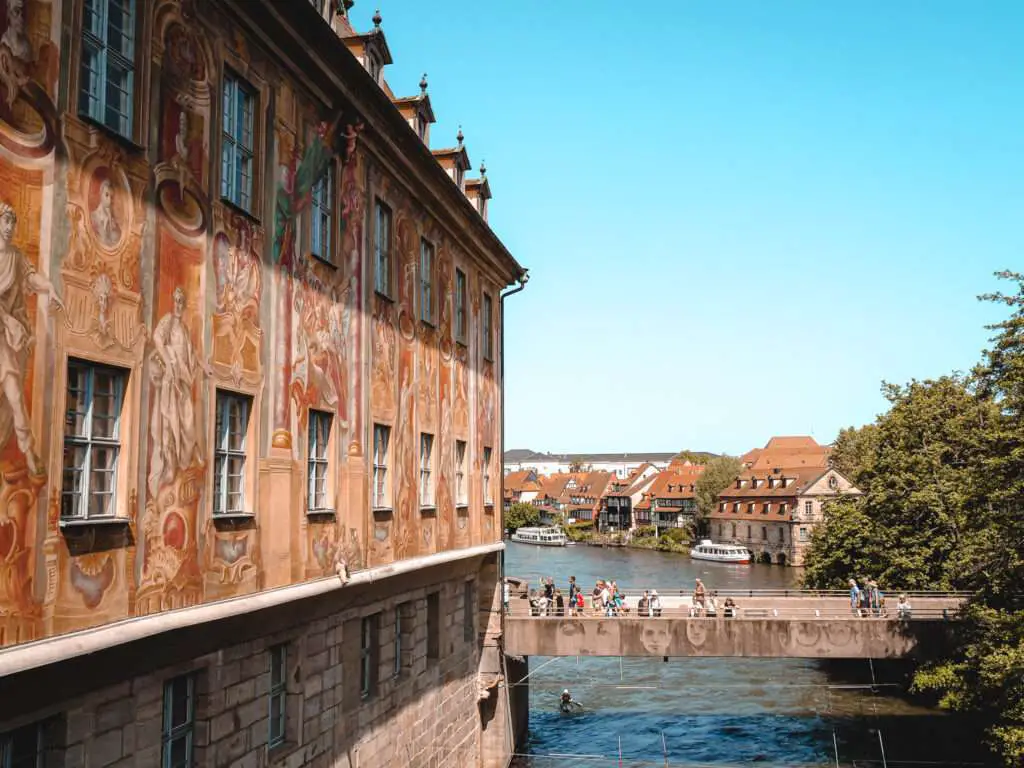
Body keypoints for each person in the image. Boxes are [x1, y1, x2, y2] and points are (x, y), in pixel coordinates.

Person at [0, 201, 64, 477]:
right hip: (4, 327)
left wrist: (50, 288)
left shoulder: (15, 256)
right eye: (5, 221)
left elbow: (32, 277)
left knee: (13, 394)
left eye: (12, 222)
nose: (9, 227)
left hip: (7, 336)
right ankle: (29, 453)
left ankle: (28, 452)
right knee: (11, 394)